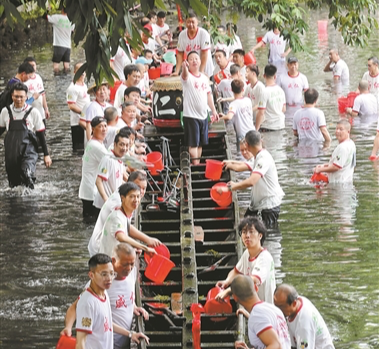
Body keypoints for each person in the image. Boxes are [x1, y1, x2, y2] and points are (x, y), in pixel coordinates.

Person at [60, 244, 150, 349]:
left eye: (111, 274)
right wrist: (68, 327)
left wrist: (130, 332)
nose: (109, 278)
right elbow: (81, 342)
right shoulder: (89, 301)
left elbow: (106, 322)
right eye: (104, 274)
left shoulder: (104, 293)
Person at [217, 130, 284, 227]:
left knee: (264, 236)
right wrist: (230, 162)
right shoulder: (258, 156)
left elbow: (252, 181)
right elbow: (245, 165)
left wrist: (231, 187)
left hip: (268, 206)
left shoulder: (263, 159)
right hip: (257, 205)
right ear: (260, 141)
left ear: (247, 145)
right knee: (244, 227)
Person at [88, 171, 153, 257]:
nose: (141, 192)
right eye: (138, 187)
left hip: (109, 244)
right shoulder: (118, 206)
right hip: (100, 247)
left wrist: (134, 245)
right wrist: (145, 244)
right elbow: (120, 235)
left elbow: (125, 226)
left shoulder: (125, 194)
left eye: (144, 188)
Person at [0, 83, 52, 189]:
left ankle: (32, 200)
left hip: (29, 150)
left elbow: (41, 134)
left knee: (26, 174)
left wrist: (46, 155)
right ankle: (17, 204)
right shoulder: (5, 112)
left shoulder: (33, 112)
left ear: (26, 97)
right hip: (11, 152)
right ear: (12, 96)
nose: (19, 99)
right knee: (14, 185)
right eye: (16, 96)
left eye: (21, 97)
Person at [216, 217, 276, 304]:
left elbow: (252, 280)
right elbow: (236, 271)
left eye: (251, 232)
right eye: (244, 232)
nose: (247, 235)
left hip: (266, 308)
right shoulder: (247, 253)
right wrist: (227, 281)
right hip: (255, 306)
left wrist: (230, 290)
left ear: (260, 235)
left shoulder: (264, 258)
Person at [230, 275, 291, 349]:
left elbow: (276, 345)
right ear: (256, 288)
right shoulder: (273, 309)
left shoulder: (257, 316)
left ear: (235, 298)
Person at [180, 51, 218, 165]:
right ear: (188, 62)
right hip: (191, 115)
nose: (194, 61)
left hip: (203, 115)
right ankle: (195, 165)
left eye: (196, 58)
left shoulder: (204, 78)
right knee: (193, 143)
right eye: (191, 59)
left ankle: (196, 163)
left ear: (200, 61)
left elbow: (209, 95)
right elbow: (185, 75)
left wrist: (214, 111)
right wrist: (184, 68)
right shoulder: (187, 78)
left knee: (201, 143)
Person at [274, 284, 335, 349]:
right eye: (275, 306)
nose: (277, 310)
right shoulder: (298, 301)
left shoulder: (304, 324)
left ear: (294, 304)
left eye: (281, 307)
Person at [79, 116, 109, 219]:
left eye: (105, 126)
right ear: (93, 129)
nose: (104, 129)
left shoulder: (93, 143)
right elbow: (112, 162)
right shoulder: (96, 147)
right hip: (91, 193)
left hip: (88, 191)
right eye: (100, 126)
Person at [93, 133, 130, 209]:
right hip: (103, 207)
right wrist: (106, 200)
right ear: (115, 144)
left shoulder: (119, 158)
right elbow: (98, 181)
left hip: (113, 204)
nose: (124, 148)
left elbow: (116, 180)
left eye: (126, 145)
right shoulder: (108, 159)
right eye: (121, 144)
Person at [313, 119, 356, 183]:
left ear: (348, 131)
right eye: (337, 129)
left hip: (339, 185)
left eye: (341, 129)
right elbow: (342, 163)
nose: (337, 131)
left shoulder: (343, 147)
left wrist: (320, 170)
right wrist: (324, 166)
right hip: (347, 181)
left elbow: (336, 167)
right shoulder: (351, 143)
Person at [173, 12, 214, 77]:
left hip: (205, 68)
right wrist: (177, 71)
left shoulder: (204, 34)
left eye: (193, 22)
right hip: (192, 70)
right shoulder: (182, 35)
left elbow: (204, 53)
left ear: (197, 22)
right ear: (185, 22)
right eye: (188, 22)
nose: (191, 24)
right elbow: (180, 54)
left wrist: (201, 71)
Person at [219, 79, 255, 149]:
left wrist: (220, 118)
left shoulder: (233, 104)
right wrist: (225, 116)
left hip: (242, 135)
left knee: (242, 155)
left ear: (231, 90)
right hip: (252, 131)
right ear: (242, 89)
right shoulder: (248, 100)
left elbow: (229, 117)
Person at [66, 62, 90, 150]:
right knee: (78, 149)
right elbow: (71, 105)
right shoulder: (73, 88)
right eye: (80, 70)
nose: (82, 73)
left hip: (85, 120)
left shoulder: (84, 85)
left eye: (84, 70)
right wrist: (83, 113)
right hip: (77, 122)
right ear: (75, 72)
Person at [256, 64, 286, 131]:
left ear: (264, 76)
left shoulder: (264, 92)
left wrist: (256, 129)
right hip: (281, 125)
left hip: (268, 127)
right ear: (275, 76)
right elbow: (284, 109)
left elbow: (261, 112)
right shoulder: (281, 90)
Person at [47, 7, 75, 74]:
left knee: (56, 66)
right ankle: (66, 80)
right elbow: (72, 31)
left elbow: (45, 17)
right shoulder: (72, 21)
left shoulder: (57, 17)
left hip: (58, 44)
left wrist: (48, 9)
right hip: (68, 46)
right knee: (66, 66)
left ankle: (57, 80)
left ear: (62, 10)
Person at [23, 57, 50, 122]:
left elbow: (43, 94)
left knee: (42, 131)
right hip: (30, 112)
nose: (32, 67)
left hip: (40, 112)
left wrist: (46, 109)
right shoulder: (24, 81)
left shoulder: (38, 77)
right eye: (30, 65)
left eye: (34, 65)